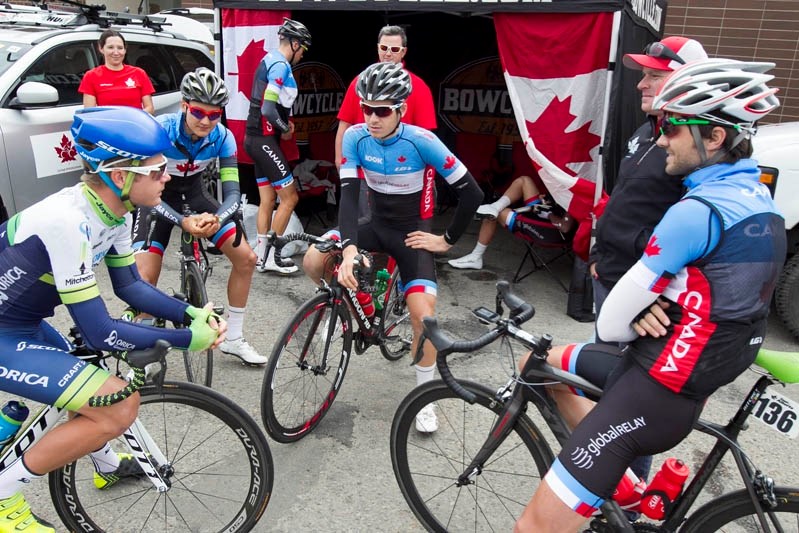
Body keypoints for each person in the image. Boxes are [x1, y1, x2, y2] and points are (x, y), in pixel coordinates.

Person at [514, 58, 785, 533]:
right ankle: (618, 488)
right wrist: (670, 303)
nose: (661, 138)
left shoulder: (697, 211)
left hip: (654, 389)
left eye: (674, 126)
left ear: (715, 137)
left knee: (532, 528)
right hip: (688, 370)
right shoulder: (762, 201)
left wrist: (644, 307)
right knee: (537, 366)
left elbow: (611, 325)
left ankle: (602, 467)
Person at [0, 106, 224, 532]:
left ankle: (104, 463)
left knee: (86, 379)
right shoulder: (68, 221)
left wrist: (193, 312)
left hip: (19, 322)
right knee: (119, 404)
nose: (168, 177)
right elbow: (99, 330)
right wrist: (185, 338)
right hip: (5, 331)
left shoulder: (114, 211)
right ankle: (2, 493)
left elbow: (131, 288)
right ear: (120, 176)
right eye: (157, 170)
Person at [303, 62, 483, 433]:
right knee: (313, 259)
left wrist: (445, 240)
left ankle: (425, 398)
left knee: (424, 317)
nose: (371, 117)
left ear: (400, 109)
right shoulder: (355, 137)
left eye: (381, 110)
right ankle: (352, 307)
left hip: (412, 232)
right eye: (365, 107)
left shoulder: (421, 141)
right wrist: (350, 248)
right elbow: (350, 200)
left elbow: (472, 193)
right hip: (374, 223)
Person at [131, 68, 267, 365]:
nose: (206, 120)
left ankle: (234, 339)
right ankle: (141, 350)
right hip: (156, 200)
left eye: (214, 114)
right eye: (198, 112)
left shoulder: (223, 137)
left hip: (195, 197)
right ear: (184, 106)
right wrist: (181, 221)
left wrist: (217, 218)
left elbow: (232, 193)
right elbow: (140, 190)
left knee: (247, 259)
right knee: (144, 278)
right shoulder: (159, 129)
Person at [589, 36, 708, 314]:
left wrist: (654, 294)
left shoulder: (695, 148)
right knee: (601, 352)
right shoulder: (644, 131)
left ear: (687, 81)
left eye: (654, 76)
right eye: (644, 75)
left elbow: (695, 237)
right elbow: (621, 199)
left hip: (645, 292)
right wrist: (597, 257)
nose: (641, 84)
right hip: (608, 275)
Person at [244, 18, 312, 274]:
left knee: (268, 199)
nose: (303, 54)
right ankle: (271, 255)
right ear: (294, 44)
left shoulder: (269, 59)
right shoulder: (280, 66)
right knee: (290, 197)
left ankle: (262, 257)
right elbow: (268, 108)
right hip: (263, 140)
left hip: (256, 139)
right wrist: (285, 128)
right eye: (303, 48)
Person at [334, 25, 437, 169]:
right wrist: (340, 159)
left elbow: (426, 136)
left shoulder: (419, 87)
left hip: (403, 168)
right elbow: (344, 124)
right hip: (364, 168)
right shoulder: (360, 81)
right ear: (377, 48)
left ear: (404, 52)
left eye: (394, 49)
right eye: (384, 48)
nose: (388, 54)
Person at [447, 176, 573, 270]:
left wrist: (549, 214)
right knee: (524, 180)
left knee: (495, 214)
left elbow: (565, 228)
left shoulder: (580, 194)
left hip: (552, 232)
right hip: (548, 215)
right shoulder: (576, 181)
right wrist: (549, 203)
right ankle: (495, 206)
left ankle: (476, 256)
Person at [79, 29, 155, 114]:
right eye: (110, 47)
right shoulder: (91, 76)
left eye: (120, 48)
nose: (116, 52)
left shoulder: (139, 73)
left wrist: (133, 118)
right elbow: (89, 113)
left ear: (125, 50)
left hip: (135, 125)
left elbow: (150, 108)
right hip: (107, 126)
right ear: (101, 48)